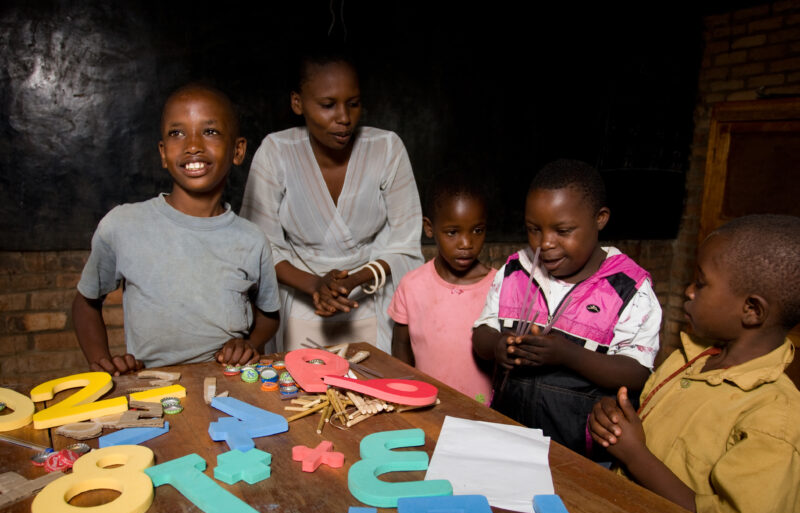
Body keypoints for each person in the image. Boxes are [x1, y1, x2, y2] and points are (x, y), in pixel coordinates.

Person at [589, 214, 800, 513]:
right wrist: (616, 422)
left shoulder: (774, 420)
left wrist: (636, 456)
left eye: (701, 284)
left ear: (752, 310)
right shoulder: (688, 360)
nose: (688, 291)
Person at [73, 84, 280, 375]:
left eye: (210, 131)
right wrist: (102, 363)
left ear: (238, 150)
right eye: (177, 133)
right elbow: (85, 303)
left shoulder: (252, 239)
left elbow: (270, 314)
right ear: (163, 153)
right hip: (153, 387)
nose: (192, 145)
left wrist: (250, 344)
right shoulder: (123, 225)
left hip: (229, 386)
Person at [472, 159, 661, 455]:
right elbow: (482, 332)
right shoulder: (515, 272)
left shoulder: (629, 288)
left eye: (563, 230)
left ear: (600, 218)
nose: (545, 243)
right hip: (508, 439)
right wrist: (498, 345)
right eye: (534, 229)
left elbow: (636, 372)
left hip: (581, 456)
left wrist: (566, 354)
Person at [240, 50, 423, 353]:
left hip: (371, 304)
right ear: (297, 103)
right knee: (298, 393)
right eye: (328, 105)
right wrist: (314, 286)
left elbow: (405, 245)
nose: (344, 118)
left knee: (372, 391)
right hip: (299, 306)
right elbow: (258, 245)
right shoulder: (276, 152)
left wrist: (353, 280)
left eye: (353, 104)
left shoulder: (387, 148)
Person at [388, 178, 495, 404]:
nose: (466, 243)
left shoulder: (499, 286)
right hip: (427, 407)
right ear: (429, 228)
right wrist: (403, 395)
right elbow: (400, 347)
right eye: (452, 232)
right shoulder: (412, 285)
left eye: (477, 230)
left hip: (483, 410)